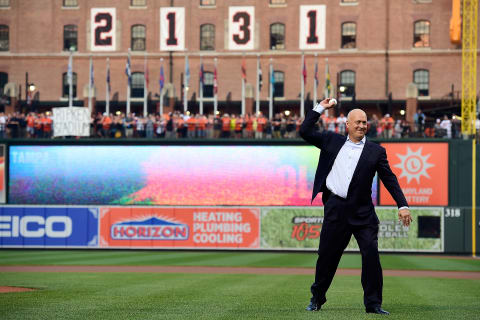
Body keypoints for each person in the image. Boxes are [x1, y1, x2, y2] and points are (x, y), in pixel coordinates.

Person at [300, 98, 412, 315]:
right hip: (336, 209)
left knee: (371, 256)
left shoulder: (376, 151)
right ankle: (317, 298)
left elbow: (389, 178)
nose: (362, 125)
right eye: (357, 122)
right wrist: (321, 108)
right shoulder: (331, 141)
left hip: (363, 213)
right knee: (327, 257)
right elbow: (305, 130)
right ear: (347, 125)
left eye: (364, 122)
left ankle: (373, 304)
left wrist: (403, 205)